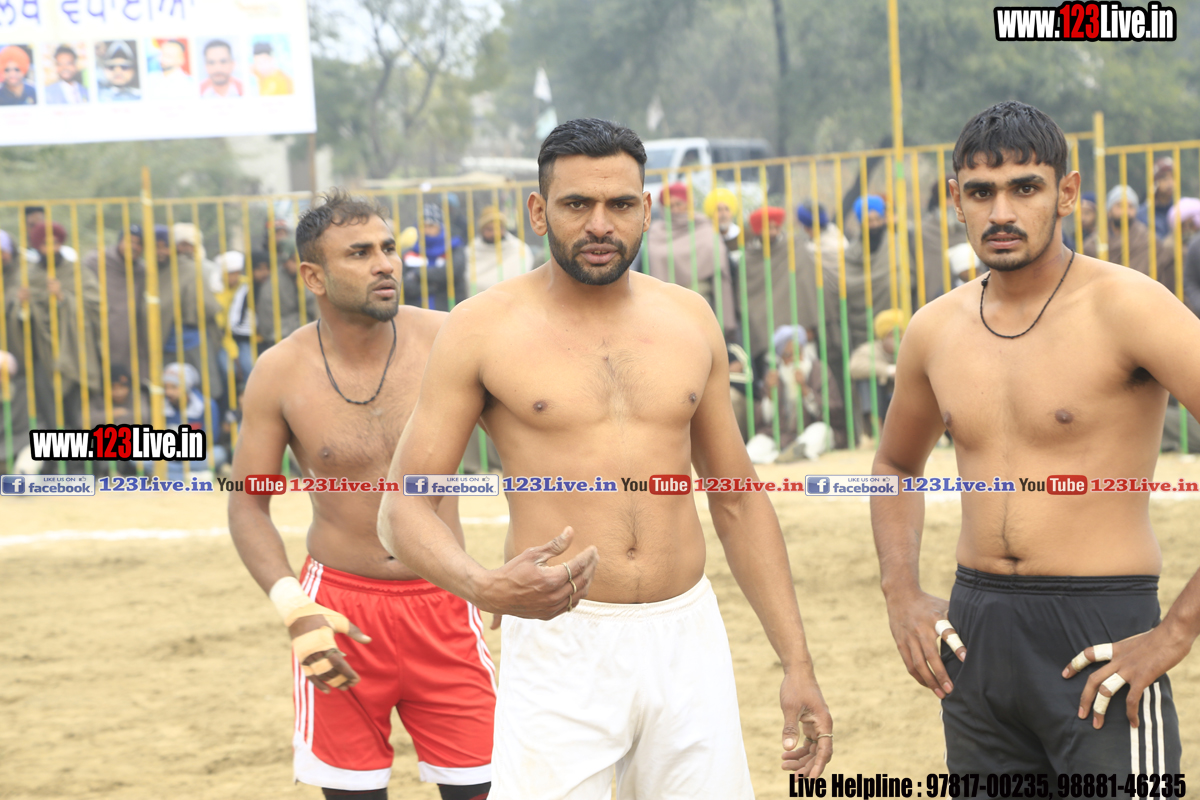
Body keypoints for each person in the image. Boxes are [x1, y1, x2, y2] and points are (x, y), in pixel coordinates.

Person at [379, 117, 833, 796]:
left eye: (620, 204)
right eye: (576, 204)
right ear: (539, 212)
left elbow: (738, 499)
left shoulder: (690, 319)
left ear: (645, 209)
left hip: (688, 636)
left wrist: (797, 662)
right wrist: (481, 585)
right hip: (561, 639)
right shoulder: (481, 328)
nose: (600, 224)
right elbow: (402, 508)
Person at [871, 100, 1199, 774]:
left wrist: (1176, 631)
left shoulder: (1129, 307)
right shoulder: (935, 329)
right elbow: (896, 465)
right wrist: (901, 592)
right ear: (955, 199)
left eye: (1025, 188)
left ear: (1066, 193)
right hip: (976, 637)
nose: (1001, 212)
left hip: (1101, 632)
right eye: (981, 192)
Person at [228, 190, 495, 799]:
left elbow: (537, 448)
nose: (385, 264)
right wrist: (295, 610)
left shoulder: (449, 341)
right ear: (313, 277)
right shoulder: (280, 371)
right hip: (338, 611)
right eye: (360, 253)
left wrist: (505, 568)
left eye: (388, 248)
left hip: (444, 597)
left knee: (483, 788)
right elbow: (247, 503)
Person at [645, 183, 737, 339]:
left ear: (688, 204)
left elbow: (721, 268)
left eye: (679, 204)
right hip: (666, 306)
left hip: (703, 304)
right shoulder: (655, 232)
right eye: (670, 206)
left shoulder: (705, 228)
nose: (675, 209)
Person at [82, 224, 149, 397]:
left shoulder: (142, 271)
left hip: (127, 340)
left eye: (139, 243)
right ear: (119, 241)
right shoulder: (95, 262)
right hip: (97, 333)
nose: (134, 247)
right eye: (129, 241)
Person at [1084, 185, 1175, 292]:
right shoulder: (1092, 243)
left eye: (1130, 206)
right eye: (1119, 206)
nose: (1125, 211)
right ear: (1109, 210)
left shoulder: (1149, 240)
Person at [848, 308, 907, 433]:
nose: (899, 337)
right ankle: (876, 432)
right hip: (881, 403)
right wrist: (887, 370)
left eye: (901, 333)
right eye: (893, 333)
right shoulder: (870, 350)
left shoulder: (909, 349)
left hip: (902, 402)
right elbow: (854, 367)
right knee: (867, 382)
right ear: (884, 336)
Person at [402, 203, 466, 311]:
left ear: (441, 226)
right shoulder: (408, 254)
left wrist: (417, 274)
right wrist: (433, 286)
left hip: (449, 313)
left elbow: (452, 272)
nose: (426, 230)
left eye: (431, 226)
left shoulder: (454, 249)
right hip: (417, 315)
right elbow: (404, 285)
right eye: (423, 226)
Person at [469, 205, 534, 292]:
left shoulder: (518, 249)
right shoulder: (471, 251)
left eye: (498, 228)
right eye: (489, 229)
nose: (495, 233)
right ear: (482, 230)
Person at [1138, 157, 1176, 240]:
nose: (1170, 182)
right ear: (1154, 181)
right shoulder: (1141, 214)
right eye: (1164, 178)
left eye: (1173, 177)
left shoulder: (1182, 208)